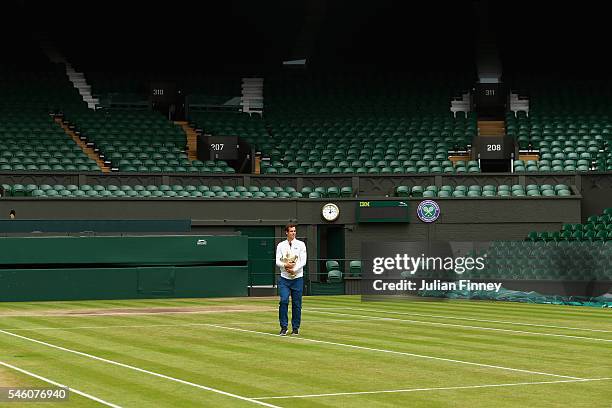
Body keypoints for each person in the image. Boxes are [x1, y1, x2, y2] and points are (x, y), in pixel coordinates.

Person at [276, 223, 307, 336]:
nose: (293, 233)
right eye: (291, 231)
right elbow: (277, 261)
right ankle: (284, 327)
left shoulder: (301, 244)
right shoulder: (281, 245)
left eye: (294, 231)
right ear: (286, 232)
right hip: (284, 278)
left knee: (297, 304)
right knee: (283, 301)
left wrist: (294, 269)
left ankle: (295, 328)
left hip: (297, 278)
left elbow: (303, 261)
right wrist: (285, 266)